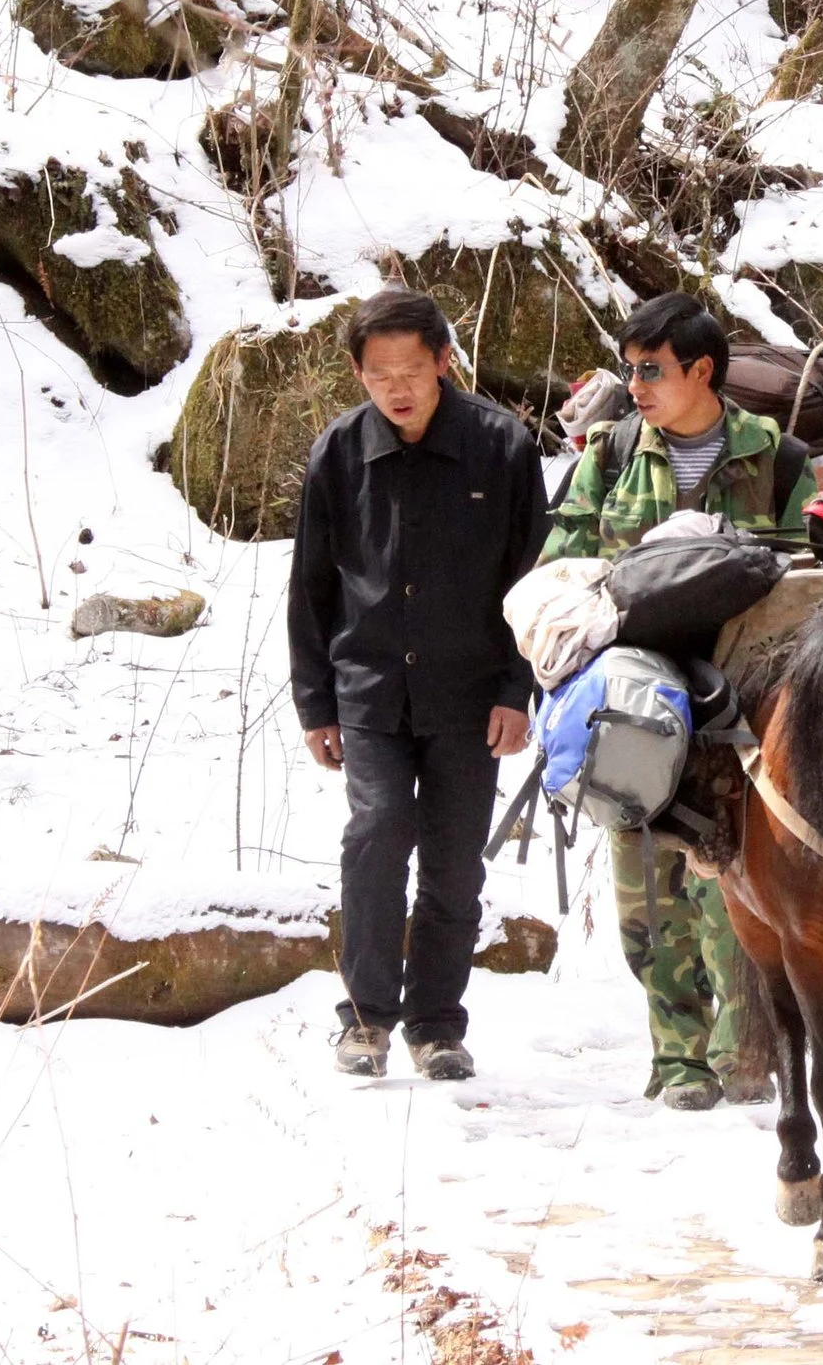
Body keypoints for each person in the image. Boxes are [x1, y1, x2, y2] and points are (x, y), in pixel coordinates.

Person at [543, 292, 815, 1110]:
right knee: (646, 888)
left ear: (702, 370)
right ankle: (679, 1058)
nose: (635, 385)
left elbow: (809, 580)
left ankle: (742, 1054)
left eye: (651, 369)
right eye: (628, 370)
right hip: (632, 697)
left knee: (734, 877)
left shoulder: (780, 457)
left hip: (742, 701)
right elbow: (562, 560)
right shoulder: (614, 451)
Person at [288, 288, 546, 1081]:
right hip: (368, 688)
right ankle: (364, 1017)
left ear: (443, 360)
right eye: (377, 373)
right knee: (376, 833)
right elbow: (310, 587)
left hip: (471, 694)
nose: (396, 387)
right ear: (358, 373)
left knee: (454, 860)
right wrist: (314, 701)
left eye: (411, 368)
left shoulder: (501, 447)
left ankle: (436, 1024)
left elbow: (533, 580)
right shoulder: (339, 451)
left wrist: (516, 687)